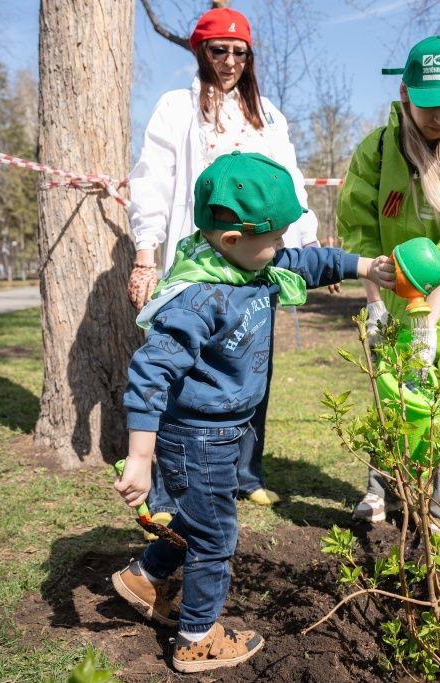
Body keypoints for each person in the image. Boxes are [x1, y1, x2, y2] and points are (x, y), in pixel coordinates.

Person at [111, 151, 395, 673]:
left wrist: (363, 267)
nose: (284, 247)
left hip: (223, 429)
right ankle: (196, 638)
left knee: (191, 522)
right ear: (234, 240)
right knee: (216, 536)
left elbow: (308, 263)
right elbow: (150, 371)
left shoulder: (249, 267)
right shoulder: (198, 298)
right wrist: (139, 457)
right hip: (197, 438)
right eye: (277, 238)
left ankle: (142, 580)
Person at [126, 7, 316, 512]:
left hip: (254, 266)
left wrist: (309, 242)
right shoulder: (175, 108)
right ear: (200, 51)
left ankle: (245, 474)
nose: (230, 61)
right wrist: (145, 255)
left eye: (239, 52)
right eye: (219, 50)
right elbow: (152, 179)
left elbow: (289, 184)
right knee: (181, 371)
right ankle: (169, 486)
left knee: (253, 366)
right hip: (198, 267)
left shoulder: (267, 113)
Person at [336, 36, 440, 525]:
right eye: (431, 103)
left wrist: (432, 314)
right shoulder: (377, 150)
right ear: (406, 92)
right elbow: (361, 231)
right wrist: (376, 302)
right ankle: (381, 490)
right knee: (392, 397)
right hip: (392, 293)